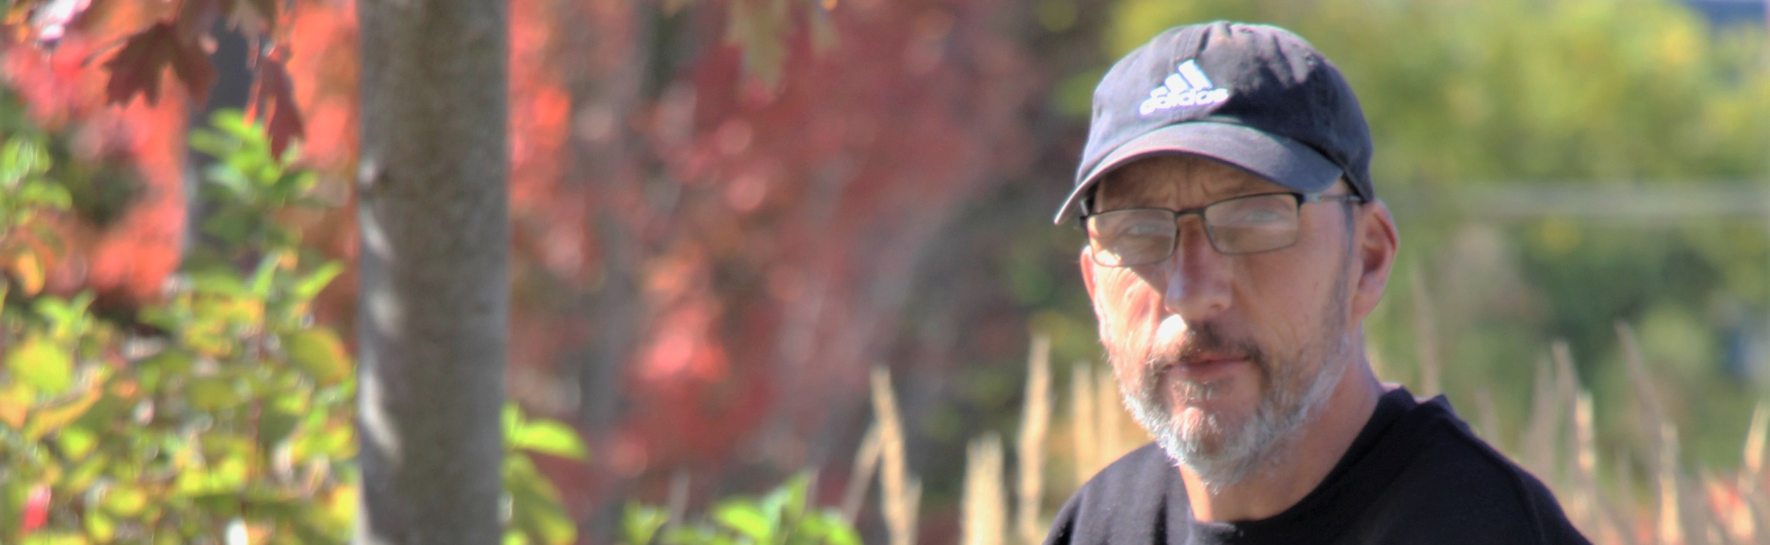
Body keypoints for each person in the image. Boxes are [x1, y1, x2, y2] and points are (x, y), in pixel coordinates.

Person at [1043, 21, 1590, 544]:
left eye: (1253, 220)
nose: (1191, 291)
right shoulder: (1099, 528)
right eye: (1138, 231)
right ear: (1095, 287)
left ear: (1367, 259)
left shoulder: (1473, 526)